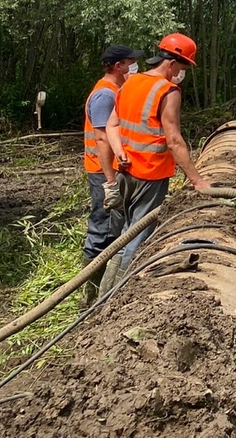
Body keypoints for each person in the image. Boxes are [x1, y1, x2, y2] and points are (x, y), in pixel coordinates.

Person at [106, 32, 211, 269]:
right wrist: (197, 181)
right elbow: (174, 139)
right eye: (183, 67)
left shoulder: (130, 82)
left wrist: (119, 150)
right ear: (172, 63)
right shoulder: (168, 91)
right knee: (138, 236)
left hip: (124, 170)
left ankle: (105, 290)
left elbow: (112, 124)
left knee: (124, 236)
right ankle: (119, 293)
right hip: (150, 174)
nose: (182, 74)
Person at [81, 44, 143, 297]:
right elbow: (102, 138)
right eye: (131, 63)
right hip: (102, 171)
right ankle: (91, 292)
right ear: (119, 66)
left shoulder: (114, 91)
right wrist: (110, 182)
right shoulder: (106, 95)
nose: (134, 67)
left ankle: (97, 289)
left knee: (112, 227)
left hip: (107, 170)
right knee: (104, 228)